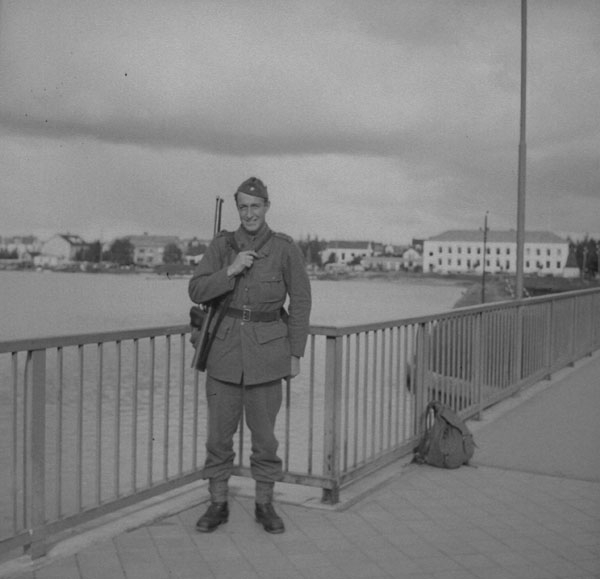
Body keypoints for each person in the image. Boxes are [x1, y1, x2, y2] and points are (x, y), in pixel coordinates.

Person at [188, 177, 312, 534]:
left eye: (255, 206)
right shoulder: (222, 246)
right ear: (237, 209)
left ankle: (264, 504)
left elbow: (301, 301)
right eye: (243, 207)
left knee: (265, 440)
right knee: (218, 437)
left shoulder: (285, 249)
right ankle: (217, 503)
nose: (249, 213)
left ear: (266, 207)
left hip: (268, 357)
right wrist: (230, 270)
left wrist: (295, 354)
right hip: (223, 353)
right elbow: (196, 288)